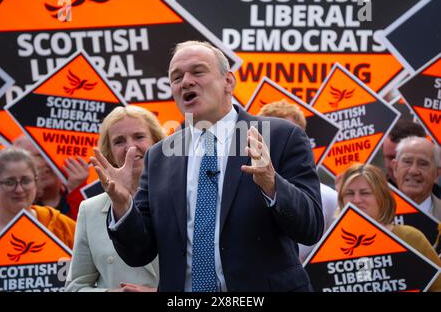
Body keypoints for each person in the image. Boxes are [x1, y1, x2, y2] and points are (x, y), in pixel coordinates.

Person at [92, 40, 323, 292]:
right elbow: (139, 252)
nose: (186, 82)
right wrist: (123, 206)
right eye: (176, 77)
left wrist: (272, 184)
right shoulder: (159, 156)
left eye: (197, 71)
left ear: (228, 81)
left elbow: (310, 228)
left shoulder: (279, 136)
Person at [65, 106, 163, 292]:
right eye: (119, 141)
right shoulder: (90, 210)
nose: (130, 147)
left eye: (139, 136)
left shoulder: (182, 198)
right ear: (109, 153)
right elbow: (74, 287)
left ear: (157, 142)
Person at [337, 163, 441, 292]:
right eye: (349, 193)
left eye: (365, 193)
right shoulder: (331, 243)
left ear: (382, 198)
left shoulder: (410, 237)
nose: (356, 200)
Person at [258, 99, 338, 262]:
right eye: (275, 136)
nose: (283, 143)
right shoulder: (240, 189)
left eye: (290, 135)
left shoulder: (329, 198)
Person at [0, 147, 75, 249]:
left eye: (26, 181)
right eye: (10, 182)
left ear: (36, 181)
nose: (19, 190)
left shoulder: (61, 226)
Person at [13, 135, 89, 220]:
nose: (41, 163)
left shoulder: (88, 200)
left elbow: (87, 230)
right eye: (30, 158)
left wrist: (77, 191)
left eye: (46, 155)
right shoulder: (8, 207)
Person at [392, 136, 441, 221]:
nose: (413, 171)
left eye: (423, 164)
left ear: (437, 174)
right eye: (407, 162)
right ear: (395, 168)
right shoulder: (375, 214)